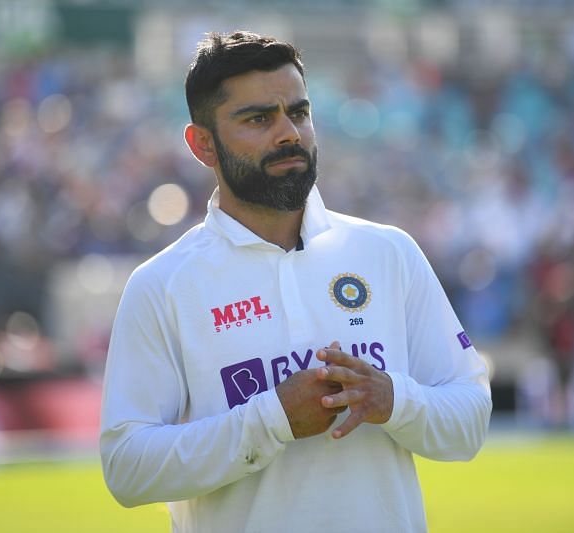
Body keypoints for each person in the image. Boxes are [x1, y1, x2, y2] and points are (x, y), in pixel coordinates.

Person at [100, 31, 492, 533]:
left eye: (299, 113)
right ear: (203, 145)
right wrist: (272, 420)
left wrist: (392, 399)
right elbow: (127, 469)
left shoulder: (388, 252)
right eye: (258, 119)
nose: (288, 133)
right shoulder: (163, 285)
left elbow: (470, 420)